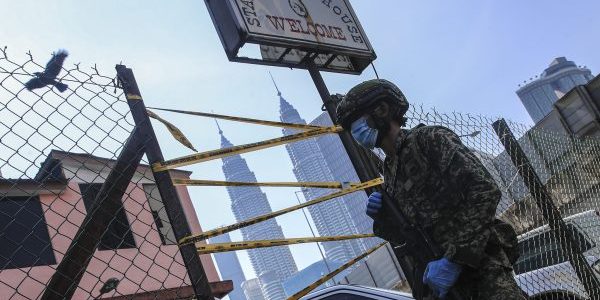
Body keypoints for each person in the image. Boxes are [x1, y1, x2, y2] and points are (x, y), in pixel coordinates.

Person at [335, 79, 525, 300]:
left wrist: (454, 260)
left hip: (482, 271)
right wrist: (383, 219)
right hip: (443, 286)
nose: (357, 134)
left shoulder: (429, 140)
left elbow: (483, 191)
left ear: (382, 110)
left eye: (357, 124)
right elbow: (406, 236)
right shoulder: (390, 172)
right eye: (352, 130)